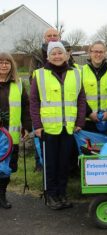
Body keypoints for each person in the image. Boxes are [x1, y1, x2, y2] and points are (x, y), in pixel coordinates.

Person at [30, 41, 86, 209]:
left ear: (66, 55)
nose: (57, 56)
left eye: (60, 53)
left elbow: (81, 99)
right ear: (48, 56)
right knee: (50, 164)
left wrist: (80, 121)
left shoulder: (76, 73)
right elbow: (34, 102)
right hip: (48, 128)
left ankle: (62, 193)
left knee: (64, 164)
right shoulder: (39, 75)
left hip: (68, 127)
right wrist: (37, 125)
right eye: (53, 53)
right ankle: (51, 195)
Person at [0, 53, 31, 209]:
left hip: (11, 135)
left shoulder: (18, 84)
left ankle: (2, 195)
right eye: (1, 62)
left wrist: (26, 126)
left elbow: (26, 106)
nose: (4, 65)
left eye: (7, 63)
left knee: (7, 168)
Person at [29, 27, 60, 172]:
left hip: (60, 104)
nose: (52, 38)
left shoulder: (63, 51)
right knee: (40, 133)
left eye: (55, 35)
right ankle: (39, 164)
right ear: (44, 38)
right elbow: (32, 78)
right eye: (49, 36)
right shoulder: (37, 56)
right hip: (43, 102)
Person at [82, 41, 107, 137]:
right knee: (90, 151)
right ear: (90, 53)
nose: (98, 54)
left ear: (105, 53)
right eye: (95, 51)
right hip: (88, 120)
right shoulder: (81, 72)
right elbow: (78, 96)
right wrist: (89, 113)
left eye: (101, 52)